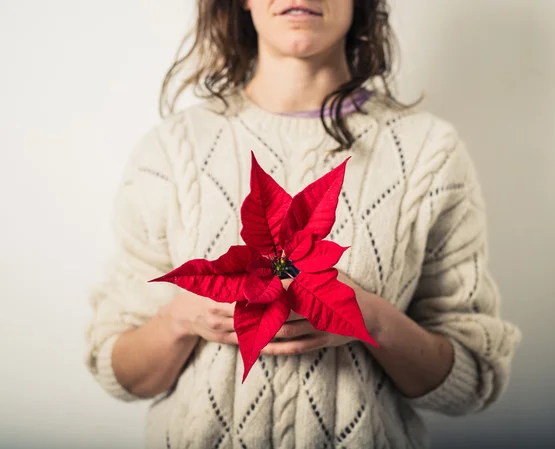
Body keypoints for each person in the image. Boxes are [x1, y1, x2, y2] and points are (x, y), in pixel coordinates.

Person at [84, 1, 522, 448]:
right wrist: (180, 318)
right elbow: (118, 370)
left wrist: (369, 317)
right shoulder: (171, 151)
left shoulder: (429, 152)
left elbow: (473, 381)